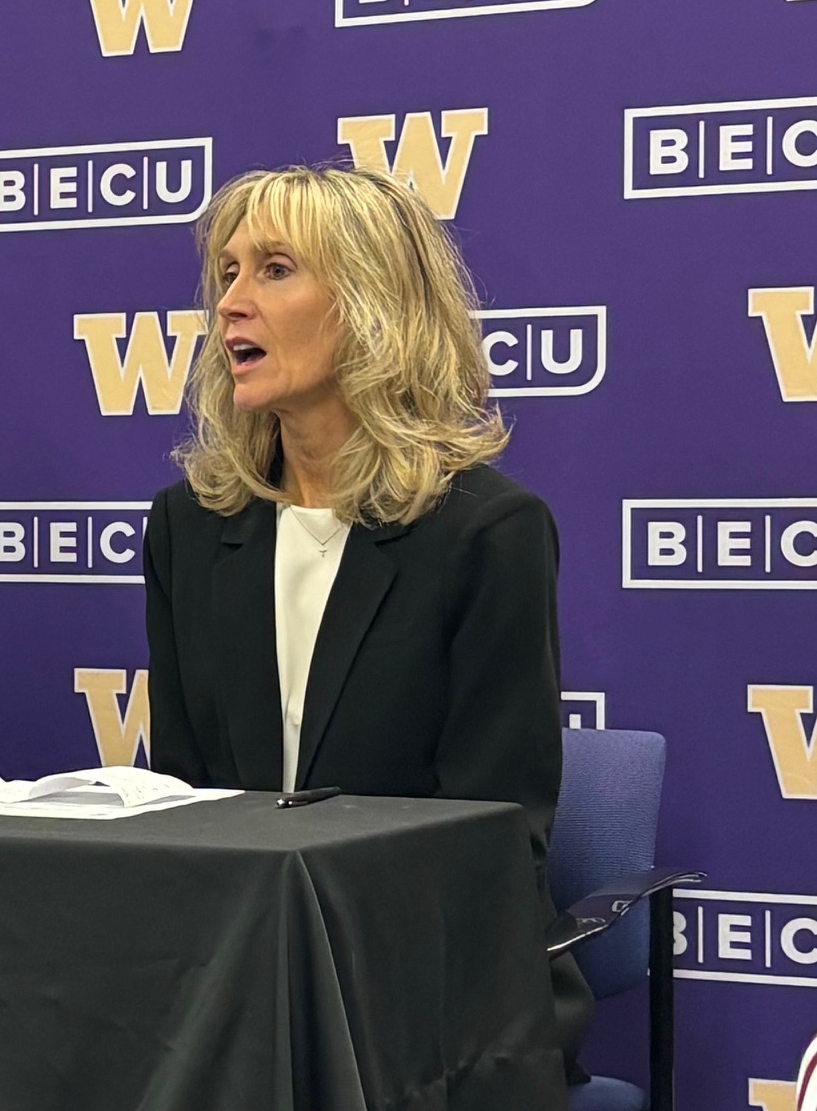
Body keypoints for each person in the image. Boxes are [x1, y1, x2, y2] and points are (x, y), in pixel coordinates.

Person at [142, 163, 591, 1062]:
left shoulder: (486, 534)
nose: (231, 302)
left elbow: (490, 841)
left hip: (428, 991)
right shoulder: (189, 529)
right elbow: (185, 807)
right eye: (226, 272)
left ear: (373, 308)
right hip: (236, 984)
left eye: (274, 269)